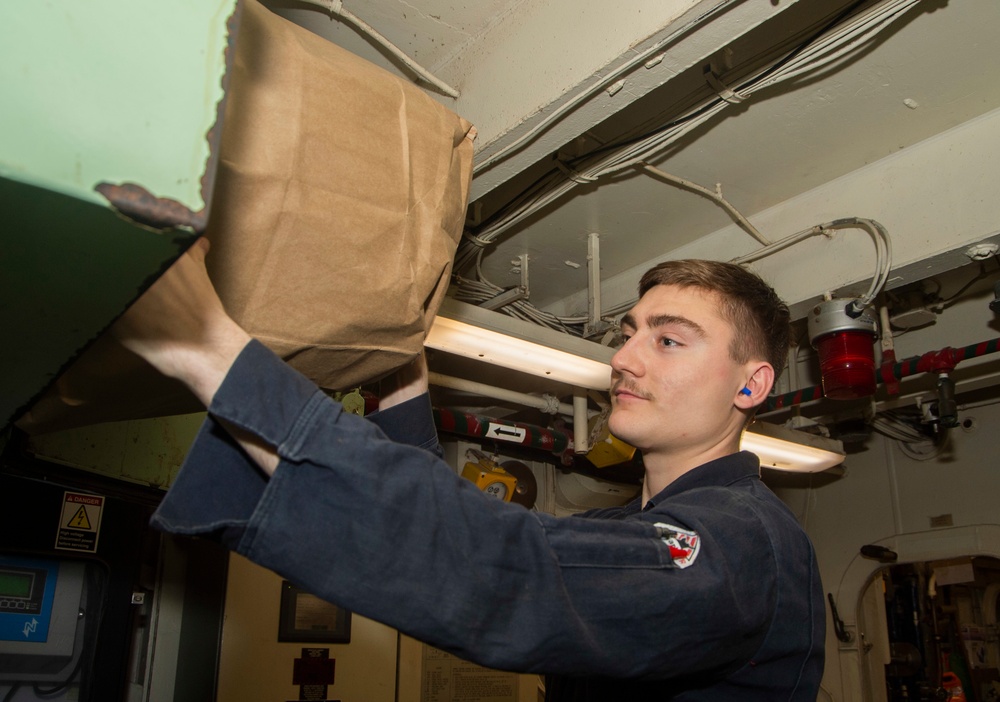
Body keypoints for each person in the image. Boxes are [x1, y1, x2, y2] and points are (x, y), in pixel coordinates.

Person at [113, 240, 825, 700]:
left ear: (751, 385)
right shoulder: (634, 530)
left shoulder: (741, 543)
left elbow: (501, 571)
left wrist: (207, 349)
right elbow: (460, 539)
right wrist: (401, 389)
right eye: (629, 332)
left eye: (668, 340)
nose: (625, 358)